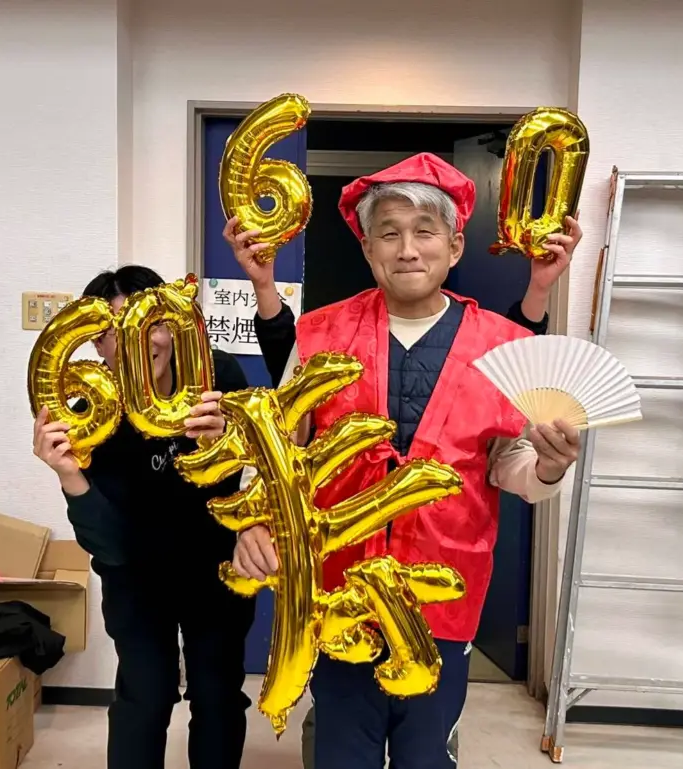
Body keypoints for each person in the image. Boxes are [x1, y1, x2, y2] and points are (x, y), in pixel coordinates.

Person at [224, 153, 583, 769]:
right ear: (368, 250)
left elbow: (510, 462)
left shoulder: (503, 345)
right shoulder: (320, 334)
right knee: (342, 750)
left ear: (454, 245)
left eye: (425, 231)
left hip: (444, 586)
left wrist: (550, 467)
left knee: (426, 752)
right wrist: (254, 521)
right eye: (389, 233)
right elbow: (278, 443)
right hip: (339, 588)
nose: (408, 249)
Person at [31, 265, 256, 769]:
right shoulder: (88, 417)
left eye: (148, 322)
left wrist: (228, 442)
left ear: (172, 326)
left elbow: (259, 475)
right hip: (136, 574)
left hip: (216, 568)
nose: (136, 340)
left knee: (218, 694)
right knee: (145, 695)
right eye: (115, 331)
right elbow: (109, 546)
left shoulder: (216, 379)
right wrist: (70, 475)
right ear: (96, 345)